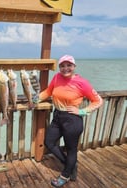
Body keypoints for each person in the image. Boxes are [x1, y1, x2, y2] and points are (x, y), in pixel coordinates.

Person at [38, 55, 103, 187]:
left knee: (71, 149)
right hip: (57, 116)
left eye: (69, 65)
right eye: (62, 65)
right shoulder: (56, 77)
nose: (65, 68)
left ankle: (65, 175)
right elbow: (48, 92)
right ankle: (70, 164)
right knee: (49, 142)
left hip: (72, 119)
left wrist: (82, 111)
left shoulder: (82, 82)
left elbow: (98, 101)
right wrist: (35, 99)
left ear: (74, 67)